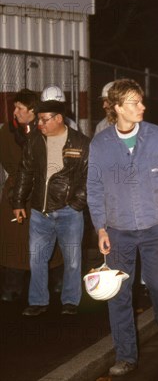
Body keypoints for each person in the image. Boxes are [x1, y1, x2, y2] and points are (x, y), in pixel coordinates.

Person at [87, 79, 158, 377]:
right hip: (118, 230)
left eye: (141, 101)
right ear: (117, 108)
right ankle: (126, 355)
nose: (142, 107)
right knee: (118, 294)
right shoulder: (100, 144)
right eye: (134, 102)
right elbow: (94, 187)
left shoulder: (157, 137)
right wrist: (101, 228)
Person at [12, 100, 89, 317]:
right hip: (39, 212)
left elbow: (90, 178)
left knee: (73, 259)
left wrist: (76, 204)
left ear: (58, 119)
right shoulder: (34, 140)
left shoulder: (81, 143)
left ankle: (71, 301)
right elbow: (24, 172)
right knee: (37, 259)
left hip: (69, 213)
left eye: (44, 120)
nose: (40, 125)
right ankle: (38, 301)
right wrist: (18, 202)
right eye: (38, 120)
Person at [0, 90, 63, 302]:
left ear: (32, 111)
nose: (14, 112)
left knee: (48, 239)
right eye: (14, 107)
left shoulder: (46, 131)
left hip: (42, 191)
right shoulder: (6, 132)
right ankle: (12, 286)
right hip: (15, 192)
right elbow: (6, 160)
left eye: (19, 108)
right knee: (14, 239)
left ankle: (56, 281)